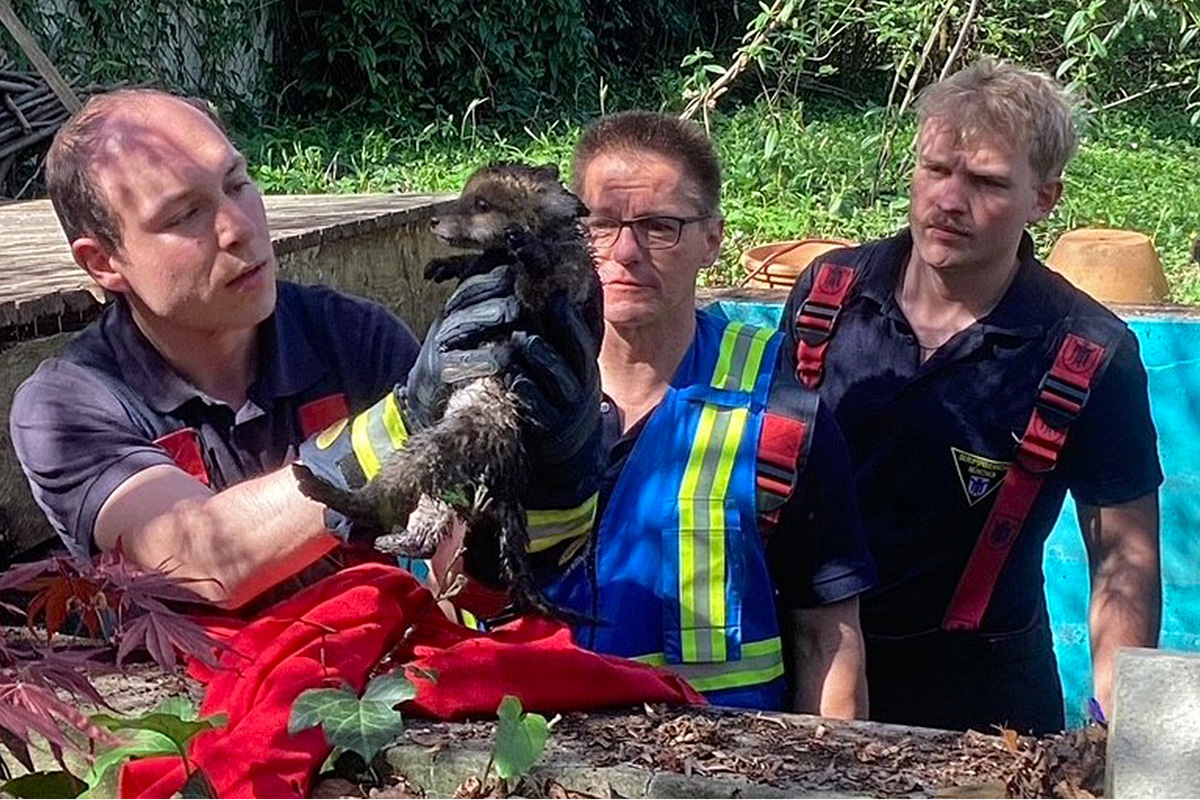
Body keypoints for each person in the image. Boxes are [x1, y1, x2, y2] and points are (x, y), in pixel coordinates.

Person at [9, 88, 599, 614]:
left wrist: (555, 471)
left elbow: (463, 579)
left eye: (238, 182)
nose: (239, 225)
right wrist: (402, 423)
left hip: (386, 705)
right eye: (186, 214)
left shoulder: (354, 336)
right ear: (103, 262)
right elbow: (198, 559)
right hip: (188, 719)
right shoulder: (68, 405)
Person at [781, 59, 1162, 734]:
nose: (948, 201)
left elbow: (1123, 562)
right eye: (935, 169)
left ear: (1044, 198)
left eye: (985, 182)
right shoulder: (827, 295)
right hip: (806, 666)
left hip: (985, 702)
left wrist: (1116, 728)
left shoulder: (1089, 351)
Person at [542, 111, 877, 717]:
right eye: (600, 224)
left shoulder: (780, 414)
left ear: (713, 240)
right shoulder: (512, 390)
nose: (625, 251)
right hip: (519, 761)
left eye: (659, 227)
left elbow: (827, 639)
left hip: (713, 772)